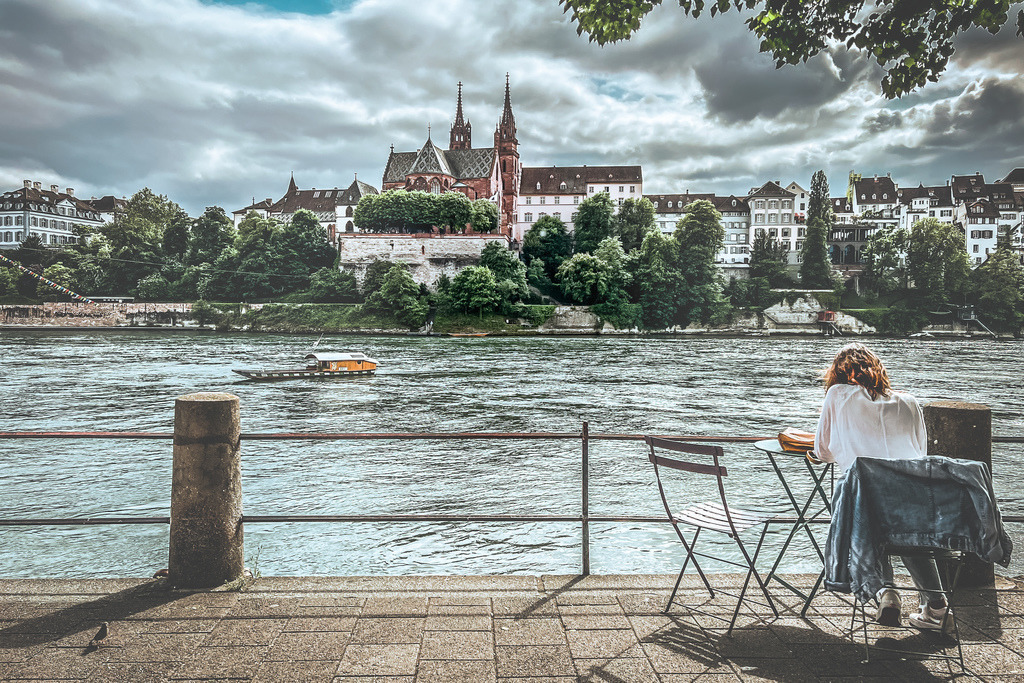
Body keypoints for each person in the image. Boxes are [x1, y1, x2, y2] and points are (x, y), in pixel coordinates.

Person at [811, 343, 949, 631]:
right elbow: (918, 453)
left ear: (837, 373)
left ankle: (887, 593)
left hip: (864, 500)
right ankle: (937, 606)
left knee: (870, 513)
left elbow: (823, 450)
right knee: (910, 536)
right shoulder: (909, 401)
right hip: (914, 497)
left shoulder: (837, 394)